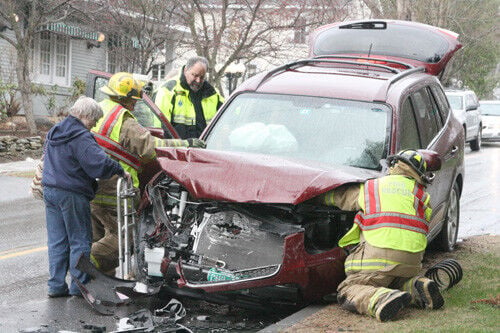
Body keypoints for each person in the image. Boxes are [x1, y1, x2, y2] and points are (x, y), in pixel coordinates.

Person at [91, 72, 204, 276]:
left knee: (96, 233)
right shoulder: (123, 120)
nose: (134, 105)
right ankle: (88, 259)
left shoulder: (99, 110)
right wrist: (186, 144)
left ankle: (95, 278)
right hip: (114, 189)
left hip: (90, 185)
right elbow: (151, 148)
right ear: (126, 99)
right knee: (126, 238)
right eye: (133, 101)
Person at [319, 149, 443, 322]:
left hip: (379, 259)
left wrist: (315, 196)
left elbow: (341, 197)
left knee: (350, 288)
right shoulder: (422, 196)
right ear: (419, 174)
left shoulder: (374, 186)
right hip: (412, 262)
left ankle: (379, 299)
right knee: (393, 280)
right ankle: (417, 287)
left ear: (394, 165)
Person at [42, 96, 127, 298]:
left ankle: (56, 286)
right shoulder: (80, 136)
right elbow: (98, 164)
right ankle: (79, 286)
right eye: (94, 121)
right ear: (85, 116)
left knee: (57, 241)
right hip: (71, 193)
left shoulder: (56, 130)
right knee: (80, 240)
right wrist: (119, 169)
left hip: (50, 190)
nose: (94, 125)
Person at [154, 56, 224, 138]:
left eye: (202, 77)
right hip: (178, 149)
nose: (198, 80)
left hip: (205, 148)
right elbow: (160, 128)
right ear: (185, 70)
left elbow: (228, 121)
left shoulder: (213, 94)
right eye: (195, 75)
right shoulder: (168, 90)